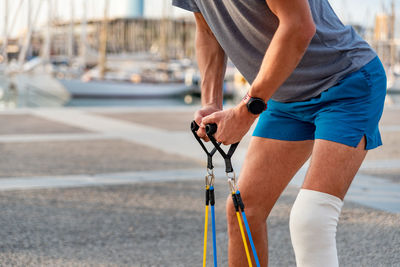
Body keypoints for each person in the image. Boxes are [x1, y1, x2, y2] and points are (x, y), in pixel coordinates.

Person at [173, 0, 387, 266]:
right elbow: (207, 30)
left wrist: (246, 111)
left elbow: (298, 26)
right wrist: (211, 102)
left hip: (345, 84)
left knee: (311, 218)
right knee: (244, 212)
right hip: (283, 97)